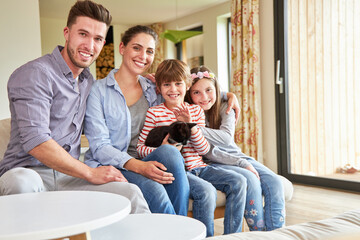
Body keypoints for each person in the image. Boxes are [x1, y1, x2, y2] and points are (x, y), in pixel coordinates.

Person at [0, 0, 149, 214]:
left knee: (130, 193)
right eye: (83, 34)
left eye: (97, 39)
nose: (90, 46)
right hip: (28, 171)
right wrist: (90, 173)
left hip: (70, 177)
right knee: (22, 183)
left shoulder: (87, 81)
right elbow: (37, 141)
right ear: (67, 33)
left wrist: (150, 83)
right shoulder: (36, 74)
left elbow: (104, 123)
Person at [83, 25, 190, 215]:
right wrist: (139, 166)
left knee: (170, 153)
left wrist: (226, 96)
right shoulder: (98, 91)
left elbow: (182, 92)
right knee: (155, 191)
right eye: (136, 48)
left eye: (149, 51)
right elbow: (99, 146)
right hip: (115, 164)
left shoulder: (153, 88)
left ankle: (180, 227)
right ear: (122, 48)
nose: (143, 56)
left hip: (148, 156)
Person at [137, 59, 248, 237]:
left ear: (187, 85)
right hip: (181, 172)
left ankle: (232, 236)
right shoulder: (154, 113)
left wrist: (192, 125)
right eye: (167, 84)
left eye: (178, 84)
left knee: (239, 181)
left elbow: (203, 149)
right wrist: (162, 149)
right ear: (159, 87)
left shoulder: (196, 111)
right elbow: (140, 148)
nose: (173, 89)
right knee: (207, 192)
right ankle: (205, 236)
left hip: (200, 167)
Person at [185, 65, 286, 231]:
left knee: (274, 181)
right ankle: (258, 233)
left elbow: (225, 138)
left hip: (236, 155)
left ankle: (276, 234)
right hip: (214, 161)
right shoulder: (189, 111)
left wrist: (191, 126)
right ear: (189, 94)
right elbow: (210, 151)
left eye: (209, 90)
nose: (204, 97)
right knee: (251, 180)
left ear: (217, 89)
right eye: (196, 92)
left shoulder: (226, 106)